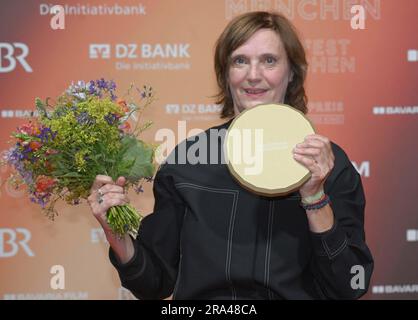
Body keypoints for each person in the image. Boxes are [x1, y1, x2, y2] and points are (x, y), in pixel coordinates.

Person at [88, 11, 373, 300]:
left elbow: (351, 285)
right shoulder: (188, 161)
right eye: (240, 61)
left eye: (269, 61)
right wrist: (117, 236)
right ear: (225, 74)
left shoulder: (327, 165)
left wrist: (315, 199)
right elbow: (155, 283)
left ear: (292, 73)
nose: (253, 75)